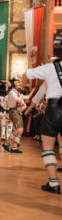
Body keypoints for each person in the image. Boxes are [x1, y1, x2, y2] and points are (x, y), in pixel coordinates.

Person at [21, 52, 62, 193]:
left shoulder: (52, 68)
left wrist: (24, 85)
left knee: (48, 147)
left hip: (54, 109)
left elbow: (26, 73)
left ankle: (54, 183)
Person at [3, 79, 26, 153]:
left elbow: (23, 100)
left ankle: (14, 147)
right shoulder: (12, 92)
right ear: (14, 84)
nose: (19, 83)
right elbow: (19, 100)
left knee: (20, 130)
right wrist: (22, 96)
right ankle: (7, 143)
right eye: (18, 82)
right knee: (19, 129)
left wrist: (33, 93)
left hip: (17, 111)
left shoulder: (17, 93)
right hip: (14, 111)